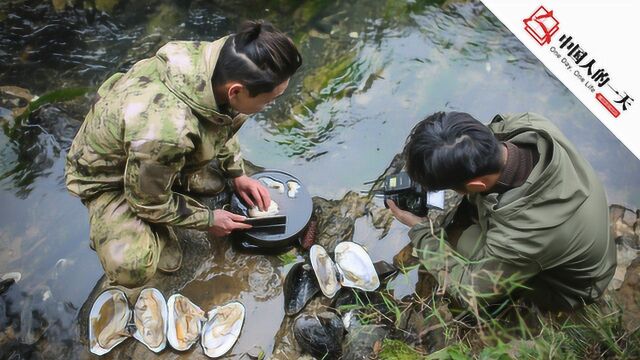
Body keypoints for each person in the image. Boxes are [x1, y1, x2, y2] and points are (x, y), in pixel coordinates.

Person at [65, 20, 302, 288]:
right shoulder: (168, 133)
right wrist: (208, 220)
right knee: (132, 268)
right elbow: (146, 202)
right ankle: (125, 219)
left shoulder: (221, 59)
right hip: (109, 177)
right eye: (269, 100)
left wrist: (237, 174)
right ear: (236, 90)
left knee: (220, 166)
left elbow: (222, 119)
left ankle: (170, 177)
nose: (270, 106)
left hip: (150, 152)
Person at [387, 112, 616, 312]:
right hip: (575, 232)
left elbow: (471, 293)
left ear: (477, 185)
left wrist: (421, 231)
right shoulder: (526, 124)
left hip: (573, 289)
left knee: (465, 241)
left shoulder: (524, 235)